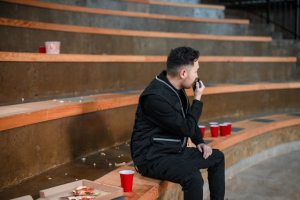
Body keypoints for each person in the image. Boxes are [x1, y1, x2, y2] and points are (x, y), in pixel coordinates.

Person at [130, 46, 225, 200]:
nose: (197, 76)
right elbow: (185, 128)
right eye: (196, 71)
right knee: (193, 178)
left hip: (173, 150)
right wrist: (197, 99)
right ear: (183, 73)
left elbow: (185, 120)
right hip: (151, 157)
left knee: (217, 158)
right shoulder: (155, 98)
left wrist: (199, 141)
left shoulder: (177, 88)